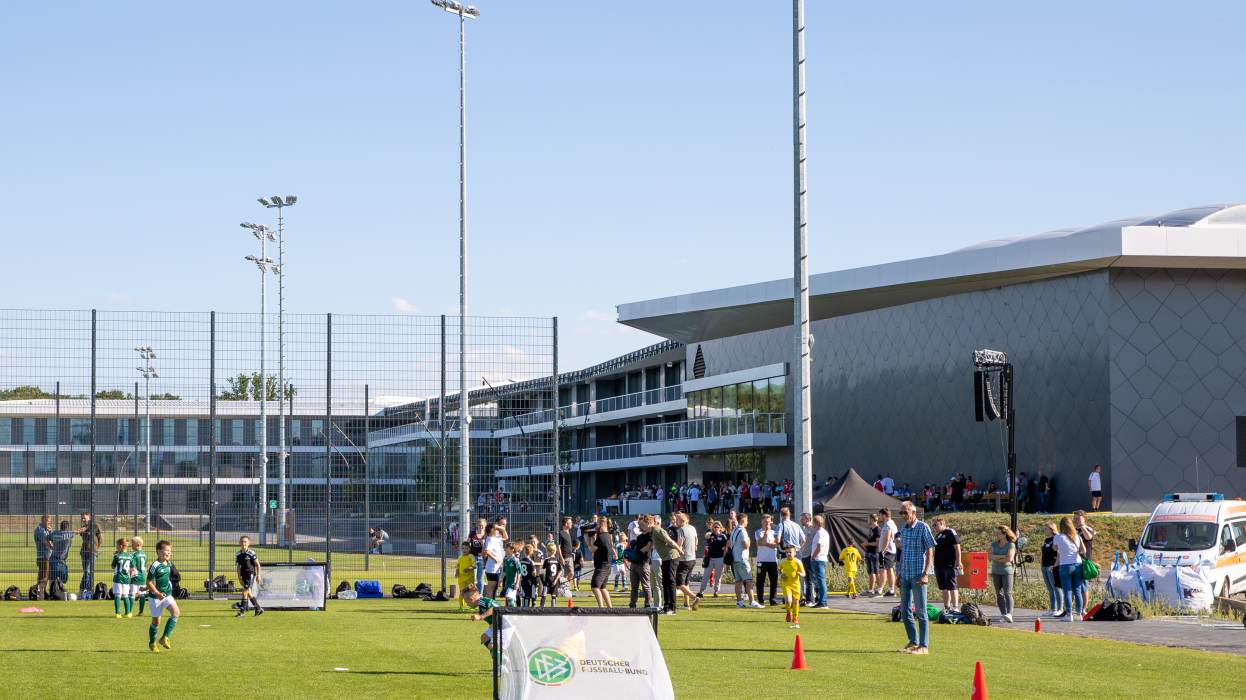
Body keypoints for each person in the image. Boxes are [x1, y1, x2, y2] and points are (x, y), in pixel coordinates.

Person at [896, 501, 936, 654]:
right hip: (905, 574)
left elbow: (930, 551)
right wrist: (899, 573)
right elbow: (904, 554)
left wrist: (926, 573)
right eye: (901, 513)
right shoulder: (903, 529)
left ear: (913, 513)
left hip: (919, 574)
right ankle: (913, 641)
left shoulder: (923, 527)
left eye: (905, 513)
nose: (903, 516)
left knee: (921, 611)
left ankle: (923, 646)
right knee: (905, 610)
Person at [144, 540, 180, 653]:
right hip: (155, 597)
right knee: (156, 622)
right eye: (167, 550)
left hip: (167, 594)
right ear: (159, 551)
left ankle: (165, 638)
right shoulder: (155, 566)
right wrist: (156, 592)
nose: (169, 553)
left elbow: (161, 580)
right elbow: (149, 581)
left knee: (176, 613)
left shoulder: (168, 563)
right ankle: (152, 643)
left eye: (170, 551)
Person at [646, 514, 684, 615]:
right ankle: (666, 607)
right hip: (666, 558)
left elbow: (669, 540)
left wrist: (679, 549)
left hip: (671, 557)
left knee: (670, 582)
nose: (641, 528)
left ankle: (672, 607)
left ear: (649, 523)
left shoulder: (658, 530)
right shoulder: (652, 532)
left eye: (643, 525)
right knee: (665, 582)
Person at [1055, 516, 1087, 621]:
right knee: (1077, 590)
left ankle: (1069, 614)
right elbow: (1083, 550)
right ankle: (1079, 613)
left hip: (1065, 565)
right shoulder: (1077, 536)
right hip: (1077, 564)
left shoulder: (1059, 537)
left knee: (1067, 591)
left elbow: (1055, 548)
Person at [730, 513, 762, 608]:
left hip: (735, 558)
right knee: (749, 581)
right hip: (742, 558)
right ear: (743, 520)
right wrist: (749, 541)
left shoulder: (734, 530)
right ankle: (752, 601)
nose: (747, 522)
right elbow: (745, 545)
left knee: (738, 581)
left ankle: (739, 602)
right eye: (747, 520)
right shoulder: (743, 531)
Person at [931, 517, 961, 611]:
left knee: (952, 586)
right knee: (943, 587)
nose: (934, 527)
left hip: (949, 563)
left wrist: (959, 561)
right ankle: (947, 607)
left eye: (935, 525)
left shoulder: (950, 532)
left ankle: (955, 607)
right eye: (933, 525)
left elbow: (957, 548)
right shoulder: (938, 535)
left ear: (942, 523)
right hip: (939, 564)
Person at [673, 512, 700, 611]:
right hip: (692, 558)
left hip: (684, 559)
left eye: (677, 519)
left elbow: (679, 544)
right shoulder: (692, 528)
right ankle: (686, 604)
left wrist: (674, 548)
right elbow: (696, 540)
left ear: (682, 521)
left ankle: (694, 597)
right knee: (686, 582)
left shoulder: (680, 530)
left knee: (679, 583)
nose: (676, 521)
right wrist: (693, 547)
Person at [990, 525, 1016, 623]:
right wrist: (1001, 557)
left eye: (998, 533)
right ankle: (1003, 614)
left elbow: (1009, 559)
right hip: (996, 571)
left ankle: (1009, 614)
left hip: (1007, 572)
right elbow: (990, 556)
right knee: (999, 593)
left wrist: (996, 557)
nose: (996, 535)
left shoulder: (1011, 545)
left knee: (1007, 593)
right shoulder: (994, 544)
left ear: (1004, 534)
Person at [463, 585, 500, 651]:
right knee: (484, 638)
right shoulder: (481, 604)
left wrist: (480, 616)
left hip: (503, 625)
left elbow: (494, 609)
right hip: (496, 625)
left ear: (471, 599)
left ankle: (501, 659)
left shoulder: (482, 601)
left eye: (467, 602)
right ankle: (497, 657)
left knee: (492, 645)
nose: (467, 605)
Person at [697, 520, 728, 598]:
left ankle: (716, 591)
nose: (716, 528)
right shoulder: (710, 535)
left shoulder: (723, 536)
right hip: (710, 558)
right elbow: (706, 536)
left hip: (720, 558)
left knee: (718, 577)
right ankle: (701, 592)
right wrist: (710, 532)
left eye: (717, 527)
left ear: (720, 528)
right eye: (714, 527)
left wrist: (724, 558)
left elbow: (726, 547)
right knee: (705, 576)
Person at [589, 516, 615, 608]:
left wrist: (589, 539)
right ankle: (610, 608)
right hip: (607, 566)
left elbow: (592, 549)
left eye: (598, 524)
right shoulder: (608, 535)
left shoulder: (601, 537)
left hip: (602, 566)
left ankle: (601, 608)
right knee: (603, 588)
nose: (596, 526)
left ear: (602, 524)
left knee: (594, 586)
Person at [235, 535, 264, 617]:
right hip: (243, 575)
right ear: (239, 543)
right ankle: (258, 608)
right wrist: (239, 578)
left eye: (245, 541)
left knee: (245, 592)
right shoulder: (238, 554)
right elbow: (238, 567)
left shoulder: (251, 553)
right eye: (241, 541)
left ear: (248, 543)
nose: (243, 543)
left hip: (250, 574)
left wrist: (258, 575)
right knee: (249, 593)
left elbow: (257, 565)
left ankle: (242, 612)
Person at [779, 544, 806, 629]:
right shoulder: (783, 561)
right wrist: (781, 574)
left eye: (790, 552)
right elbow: (779, 570)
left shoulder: (798, 562)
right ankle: (788, 613)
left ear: (795, 553)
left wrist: (800, 573)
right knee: (789, 601)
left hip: (796, 585)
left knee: (796, 601)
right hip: (786, 584)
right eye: (787, 552)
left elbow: (804, 573)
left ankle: (795, 617)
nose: (788, 554)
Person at [755, 514, 780, 606]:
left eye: (769, 522)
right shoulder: (758, 532)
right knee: (760, 581)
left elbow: (775, 545)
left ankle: (773, 600)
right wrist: (765, 534)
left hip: (773, 560)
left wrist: (765, 543)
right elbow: (760, 543)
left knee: (774, 581)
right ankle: (760, 600)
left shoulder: (775, 532)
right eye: (765, 522)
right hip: (761, 560)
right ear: (762, 522)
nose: (767, 523)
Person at [1039, 522, 1062, 617]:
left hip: (1052, 566)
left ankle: (1060, 609)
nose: (1045, 531)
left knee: (1056, 587)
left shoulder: (1056, 538)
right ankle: (1053, 608)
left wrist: (1055, 565)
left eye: (1046, 529)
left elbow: (1058, 553)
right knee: (1050, 588)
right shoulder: (1046, 539)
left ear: (1052, 529)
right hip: (1044, 565)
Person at [627, 521, 652, 608]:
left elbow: (648, 546)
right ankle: (632, 604)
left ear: (647, 524)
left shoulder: (650, 536)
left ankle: (648, 604)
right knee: (634, 587)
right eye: (639, 525)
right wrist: (632, 545)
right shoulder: (639, 536)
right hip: (635, 563)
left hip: (643, 563)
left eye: (642, 524)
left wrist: (639, 553)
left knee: (646, 586)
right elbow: (635, 547)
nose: (640, 526)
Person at [77, 511, 101, 597]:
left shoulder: (94, 526)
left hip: (93, 552)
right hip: (83, 552)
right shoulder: (83, 527)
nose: (83, 519)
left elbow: (100, 538)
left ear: (89, 517)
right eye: (82, 517)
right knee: (86, 572)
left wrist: (97, 548)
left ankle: (83, 589)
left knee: (88, 571)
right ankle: (87, 590)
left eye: (84, 517)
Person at [808, 514, 830, 608]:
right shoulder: (824, 532)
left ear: (815, 523)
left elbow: (819, 547)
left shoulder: (820, 533)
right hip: (822, 559)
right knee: (820, 581)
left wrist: (813, 556)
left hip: (818, 559)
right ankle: (821, 600)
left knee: (820, 581)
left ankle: (823, 601)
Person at [110, 538, 134, 618]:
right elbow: (132, 568)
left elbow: (113, 566)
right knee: (126, 595)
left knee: (118, 595)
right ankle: (128, 613)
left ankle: (118, 613)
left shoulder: (117, 556)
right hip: (126, 578)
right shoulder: (130, 556)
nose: (116, 547)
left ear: (120, 546)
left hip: (118, 578)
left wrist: (115, 556)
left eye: (117, 545)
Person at [877, 508, 898, 597]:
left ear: (884, 515)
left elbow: (887, 537)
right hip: (889, 551)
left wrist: (883, 550)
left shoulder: (888, 524)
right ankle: (891, 590)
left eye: (880, 515)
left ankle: (880, 589)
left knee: (883, 570)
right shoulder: (889, 523)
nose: (879, 517)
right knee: (889, 569)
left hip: (887, 551)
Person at [482, 524, 505, 598]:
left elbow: (506, 537)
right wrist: (495, 559)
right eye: (495, 529)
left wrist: (501, 528)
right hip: (491, 568)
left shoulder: (496, 538)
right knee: (491, 587)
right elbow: (487, 551)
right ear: (492, 530)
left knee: (494, 587)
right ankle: (489, 604)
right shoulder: (489, 539)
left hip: (496, 568)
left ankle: (492, 604)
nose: (497, 530)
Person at [48, 520, 74, 587]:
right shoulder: (69, 535)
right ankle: (60, 591)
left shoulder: (55, 533)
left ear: (60, 526)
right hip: (61, 560)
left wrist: (51, 546)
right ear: (67, 527)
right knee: (64, 579)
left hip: (53, 558)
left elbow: (47, 538)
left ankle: (52, 592)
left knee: (52, 579)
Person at [798, 512, 816, 605]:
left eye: (803, 519)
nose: (801, 520)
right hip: (804, 556)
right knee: (806, 578)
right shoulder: (804, 529)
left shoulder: (813, 529)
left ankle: (810, 600)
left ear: (808, 519)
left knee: (810, 579)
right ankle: (808, 598)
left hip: (810, 556)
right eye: (801, 519)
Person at [130, 536, 149, 616]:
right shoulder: (145, 554)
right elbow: (145, 566)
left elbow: (132, 566)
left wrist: (130, 574)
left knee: (132, 594)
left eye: (132, 544)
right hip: (143, 576)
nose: (131, 545)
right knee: (142, 595)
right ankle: (141, 612)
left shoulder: (134, 554)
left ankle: (129, 611)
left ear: (137, 545)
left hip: (135, 577)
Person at [456, 541, 477, 610]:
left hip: (469, 579)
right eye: (463, 548)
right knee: (462, 592)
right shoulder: (459, 557)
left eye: (466, 548)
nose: (464, 550)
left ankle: (472, 606)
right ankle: (461, 607)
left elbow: (474, 566)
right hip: (461, 579)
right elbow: (457, 566)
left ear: (469, 549)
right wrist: (457, 572)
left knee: (471, 592)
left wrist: (468, 569)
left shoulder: (471, 556)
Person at [541, 543, 564, 607]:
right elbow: (560, 571)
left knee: (544, 594)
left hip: (547, 580)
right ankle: (552, 609)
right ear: (555, 551)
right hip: (555, 581)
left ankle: (541, 607)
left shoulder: (546, 560)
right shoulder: (557, 560)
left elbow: (543, 569)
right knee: (553, 595)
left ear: (547, 551)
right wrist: (556, 580)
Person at [557, 517, 575, 596]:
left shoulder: (568, 532)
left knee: (571, 573)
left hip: (570, 556)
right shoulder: (560, 533)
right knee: (562, 574)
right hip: (564, 557)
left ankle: (566, 588)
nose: (572, 524)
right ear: (566, 524)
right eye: (570, 522)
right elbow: (558, 546)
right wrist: (561, 558)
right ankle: (561, 590)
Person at [470, 516, 488, 592]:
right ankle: (471, 594)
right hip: (473, 557)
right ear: (477, 525)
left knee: (480, 578)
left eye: (482, 525)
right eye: (479, 525)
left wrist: (483, 544)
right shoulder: (472, 533)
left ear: (485, 526)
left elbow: (488, 548)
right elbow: (468, 543)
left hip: (482, 558)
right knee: (472, 577)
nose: (481, 527)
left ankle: (480, 595)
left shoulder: (487, 535)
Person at [863, 513, 880, 596]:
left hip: (874, 553)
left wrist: (868, 544)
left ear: (872, 519)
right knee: (870, 572)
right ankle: (870, 590)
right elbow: (869, 540)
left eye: (868, 519)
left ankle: (879, 590)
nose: (867, 520)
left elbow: (877, 543)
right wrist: (866, 543)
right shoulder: (870, 529)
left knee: (876, 572)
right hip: (868, 552)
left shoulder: (877, 530)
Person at [33, 514, 52, 587]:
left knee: (46, 576)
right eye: (48, 521)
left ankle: (41, 592)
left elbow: (52, 540)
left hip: (48, 556)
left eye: (50, 521)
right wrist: (53, 546)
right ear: (44, 520)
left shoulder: (47, 529)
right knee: (43, 576)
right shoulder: (40, 530)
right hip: (43, 557)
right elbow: (46, 542)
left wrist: (51, 532)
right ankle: (40, 592)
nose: (49, 523)